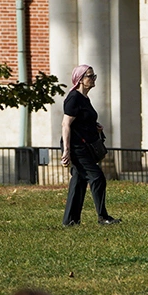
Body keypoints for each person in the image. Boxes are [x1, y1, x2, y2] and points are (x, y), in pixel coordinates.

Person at [62, 64, 120, 226]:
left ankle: (70, 220)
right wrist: (66, 150)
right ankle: (103, 217)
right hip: (76, 147)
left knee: (79, 181)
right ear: (80, 79)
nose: (93, 79)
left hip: (85, 145)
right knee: (97, 177)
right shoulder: (73, 98)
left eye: (94, 76)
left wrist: (96, 126)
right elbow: (66, 124)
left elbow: (82, 120)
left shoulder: (84, 98)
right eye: (89, 76)